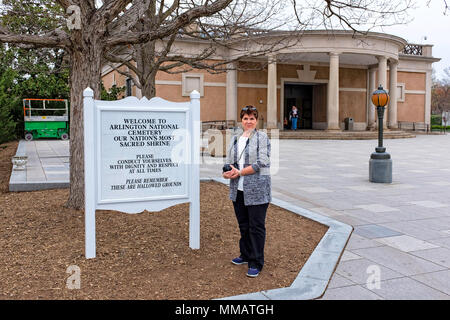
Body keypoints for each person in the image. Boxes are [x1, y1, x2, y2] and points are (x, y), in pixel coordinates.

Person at [222, 105, 271, 278]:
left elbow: (262, 163)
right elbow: (230, 160)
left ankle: (256, 262)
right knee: (243, 225)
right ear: (241, 120)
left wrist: (240, 172)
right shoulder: (236, 138)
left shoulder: (262, 137)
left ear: (256, 120)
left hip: (257, 190)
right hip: (238, 189)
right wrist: (227, 171)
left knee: (256, 227)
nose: (248, 121)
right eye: (245, 118)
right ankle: (245, 254)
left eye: (252, 118)